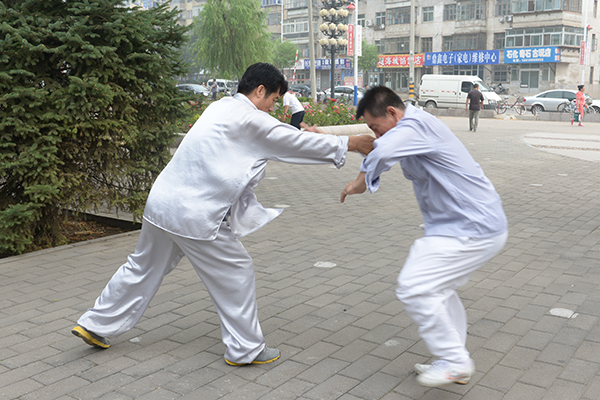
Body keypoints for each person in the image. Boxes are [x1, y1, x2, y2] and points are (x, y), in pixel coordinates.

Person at [71, 63, 374, 367]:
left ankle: (95, 324)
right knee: (236, 272)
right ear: (259, 91)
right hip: (195, 213)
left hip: (162, 203)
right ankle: (245, 349)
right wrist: (351, 143)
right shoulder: (250, 118)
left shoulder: (220, 106)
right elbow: (293, 142)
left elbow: (278, 138)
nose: (271, 108)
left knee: (141, 267)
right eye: (272, 100)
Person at [340, 86, 507, 388]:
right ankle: (452, 358)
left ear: (392, 113)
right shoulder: (410, 129)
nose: (376, 135)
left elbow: (385, 151)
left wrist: (359, 175)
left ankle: (455, 361)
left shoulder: (415, 125)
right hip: (459, 226)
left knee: (414, 286)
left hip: (472, 225)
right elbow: (387, 150)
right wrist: (364, 167)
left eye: (375, 127)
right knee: (439, 290)